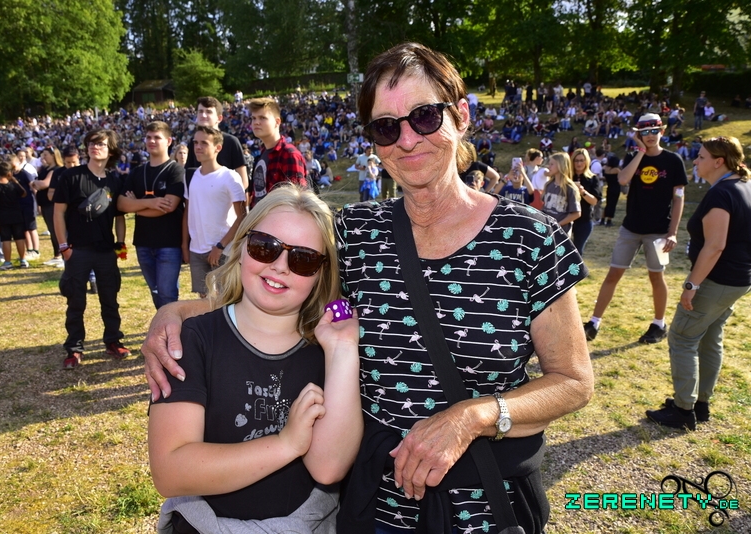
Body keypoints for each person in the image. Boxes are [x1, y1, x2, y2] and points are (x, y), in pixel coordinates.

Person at [141, 42, 594, 534]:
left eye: (425, 116)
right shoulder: (355, 233)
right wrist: (175, 313)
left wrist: (474, 416)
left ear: (461, 115)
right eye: (385, 126)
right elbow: (277, 283)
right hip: (374, 507)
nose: (407, 139)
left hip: (488, 506)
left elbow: (573, 382)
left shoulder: (529, 237)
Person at [149, 185, 362, 533]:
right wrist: (284, 445)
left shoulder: (327, 350)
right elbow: (170, 472)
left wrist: (342, 350)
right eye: (265, 247)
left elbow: (328, 468)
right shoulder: (193, 338)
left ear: (321, 273)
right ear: (242, 247)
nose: (279, 266)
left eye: (304, 259)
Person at [646, 137, 751, 431]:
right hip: (736, 280)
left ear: (719, 162)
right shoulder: (742, 185)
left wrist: (691, 286)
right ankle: (700, 403)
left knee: (682, 337)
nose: (695, 161)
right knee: (709, 337)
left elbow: (715, 246)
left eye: (701, 157)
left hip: (717, 280)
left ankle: (683, 410)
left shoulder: (723, 194)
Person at [583, 113, 688, 344]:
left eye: (654, 131)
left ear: (662, 131)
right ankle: (594, 322)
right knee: (613, 274)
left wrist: (672, 232)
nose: (650, 136)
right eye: (645, 132)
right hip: (631, 227)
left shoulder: (673, 161)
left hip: (659, 230)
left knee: (656, 276)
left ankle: (659, 324)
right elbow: (622, 180)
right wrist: (640, 151)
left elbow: (679, 198)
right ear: (638, 135)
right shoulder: (633, 156)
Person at [53, 128, 130, 369]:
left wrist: (120, 244)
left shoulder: (115, 180)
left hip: (106, 250)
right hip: (77, 250)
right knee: (76, 302)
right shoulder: (71, 176)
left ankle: (113, 341)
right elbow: (58, 212)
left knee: (110, 299)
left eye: (101, 144)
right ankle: (74, 348)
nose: (95, 147)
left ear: (111, 151)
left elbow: (119, 216)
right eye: (91, 143)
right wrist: (64, 247)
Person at [117, 121, 186, 309]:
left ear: (169, 141)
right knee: (155, 291)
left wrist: (135, 205)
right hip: (143, 242)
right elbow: (121, 204)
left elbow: (169, 206)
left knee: (167, 293)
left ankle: (170, 326)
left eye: (157, 137)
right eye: (148, 137)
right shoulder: (138, 172)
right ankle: (164, 323)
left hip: (169, 242)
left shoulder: (175, 170)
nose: (151, 141)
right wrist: (151, 203)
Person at [182, 125, 247, 298]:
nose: (198, 147)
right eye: (195, 142)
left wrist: (220, 246)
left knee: (226, 300)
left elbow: (242, 217)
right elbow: (188, 212)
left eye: (204, 143)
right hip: (197, 250)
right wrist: (185, 245)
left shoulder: (230, 177)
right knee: (204, 301)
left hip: (223, 250)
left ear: (218, 147)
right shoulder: (191, 175)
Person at [248, 97, 309, 209]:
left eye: (262, 118)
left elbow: (297, 204)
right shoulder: (263, 152)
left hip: (278, 218)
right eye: (253, 118)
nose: (256, 122)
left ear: (277, 122)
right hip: (259, 217)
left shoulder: (289, 154)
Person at [184, 96, 249, 191]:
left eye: (209, 112)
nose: (203, 115)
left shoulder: (231, 141)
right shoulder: (193, 141)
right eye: (200, 111)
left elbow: (243, 180)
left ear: (219, 118)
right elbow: (189, 174)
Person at [0, 161, 29, 270]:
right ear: (10, 173)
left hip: (3, 214)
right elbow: (24, 193)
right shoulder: (13, 185)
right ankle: (23, 260)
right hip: (16, 214)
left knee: (5, 239)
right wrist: (15, 181)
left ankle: (8, 262)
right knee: (19, 237)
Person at [32, 147, 65, 267]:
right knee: (52, 230)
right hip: (44, 203)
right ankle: (57, 255)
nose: (43, 157)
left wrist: (36, 183)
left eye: (46, 155)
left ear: (53, 155)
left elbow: (44, 184)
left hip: (53, 204)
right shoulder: (45, 169)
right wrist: (36, 184)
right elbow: (37, 184)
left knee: (57, 230)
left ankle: (63, 255)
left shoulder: (56, 170)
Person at [570, 148, 602, 256]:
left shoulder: (592, 178)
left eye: (581, 160)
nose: (579, 163)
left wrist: (583, 192)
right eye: (576, 160)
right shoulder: (567, 176)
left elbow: (594, 201)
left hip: (584, 220)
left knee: (577, 251)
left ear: (586, 161)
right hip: (566, 218)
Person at [541, 152, 581, 234]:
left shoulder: (570, 188)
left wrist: (558, 224)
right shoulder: (548, 185)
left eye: (552, 164)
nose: (549, 167)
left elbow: (576, 213)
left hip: (561, 232)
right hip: (546, 229)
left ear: (561, 165)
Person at [600, 154, 621, 227]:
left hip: (609, 187)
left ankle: (602, 219)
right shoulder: (617, 170)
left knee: (608, 204)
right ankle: (609, 220)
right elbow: (621, 177)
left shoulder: (606, 169)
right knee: (613, 204)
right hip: (616, 188)